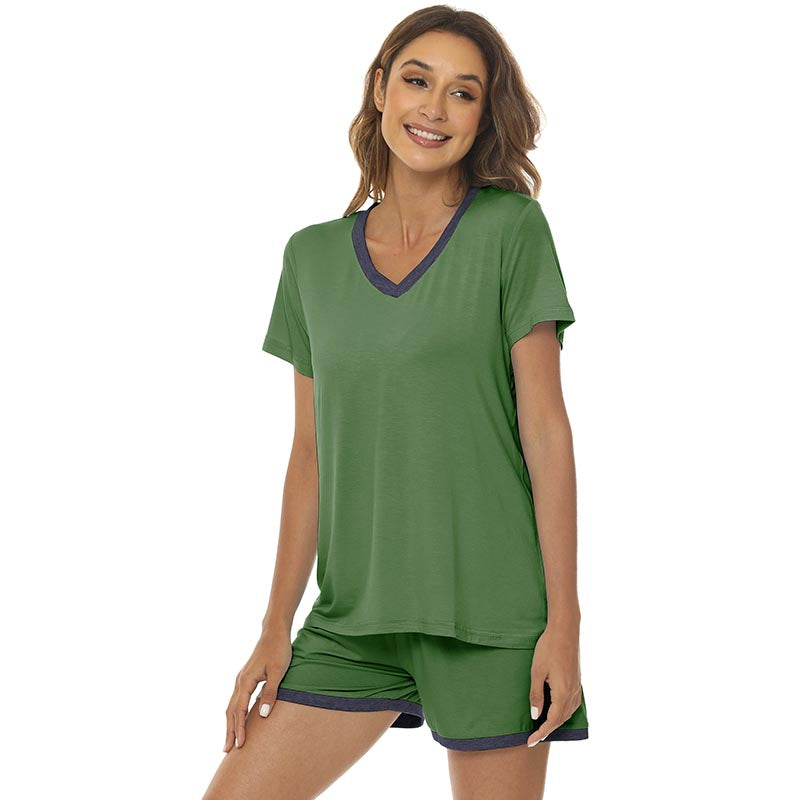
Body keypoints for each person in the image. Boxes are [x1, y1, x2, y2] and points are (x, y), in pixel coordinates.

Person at [203, 6, 589, 799]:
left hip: (492, 621)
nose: (434, 109)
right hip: (354, 622)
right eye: (418, 81)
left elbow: (546, 433)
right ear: (381, 89)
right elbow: (310, 456)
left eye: (463, 93)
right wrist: (274, 628)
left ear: (483, 116)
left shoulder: (512, 231)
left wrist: (565, 623)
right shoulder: (311, 257)